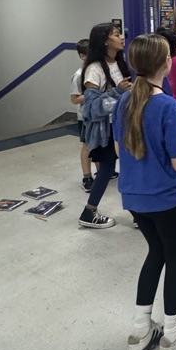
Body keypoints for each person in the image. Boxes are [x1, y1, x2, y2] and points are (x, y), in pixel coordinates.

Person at [111, 33, 176, 350]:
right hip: (166, 199)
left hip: (134, 199)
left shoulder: (124, 101)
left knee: (156, 252)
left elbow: (120, 149)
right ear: (166, 63)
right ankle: (174, 333)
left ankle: (140, 329)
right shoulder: (167, 107)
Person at [79, 23, 131, 229]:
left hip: (120, 126)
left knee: (118, 168)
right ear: (105, 41)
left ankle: (136, 212)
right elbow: (90, 108)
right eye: (116, 34)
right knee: (108, 169)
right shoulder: (94, 70)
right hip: (106, 130)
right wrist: (118, 92)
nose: (122, 37)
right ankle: (89, 211)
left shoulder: (118, 63)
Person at [69, 38, 94, 190]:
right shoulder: (79, 76)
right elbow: (74, 99)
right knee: (88, 145)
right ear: (82, 56)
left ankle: (102, 171)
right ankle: (87, 177)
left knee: (99, 144)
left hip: (97, 114)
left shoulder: (97, 71)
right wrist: (92, 93)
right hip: (85, 116)